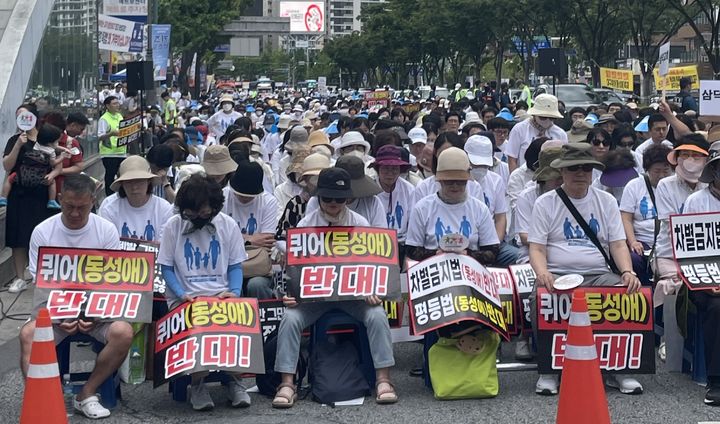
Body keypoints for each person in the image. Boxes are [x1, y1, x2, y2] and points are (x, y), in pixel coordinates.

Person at [272, 167, 397, 408]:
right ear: (319, 197)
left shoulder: (361, 224)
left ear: (348, 199)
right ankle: (287, 383)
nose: (332, 203)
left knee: (378, 315)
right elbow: (293, 272)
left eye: (338, 198)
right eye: (327, 197)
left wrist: (373, 289)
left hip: (354, 297)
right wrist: (291, 294)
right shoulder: (306, 226)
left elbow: (372, 265)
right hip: (315, 300)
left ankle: (384, 380)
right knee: (290, 318)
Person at [528, 143, 642, 396]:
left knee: (625, 293)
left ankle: (619, 368)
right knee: (541, 298)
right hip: (558, 271)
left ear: (592, 172)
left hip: (598, 272)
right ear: (562, 172)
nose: (580, 173)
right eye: (573, 168)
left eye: (585, 168)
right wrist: (542, 273)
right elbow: (536, 247)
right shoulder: (546, 203)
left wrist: (627, 272)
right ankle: (549, 368)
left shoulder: (607, 201)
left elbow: (617, 243)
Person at [20, 174, 133, 419]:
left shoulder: (106, 230)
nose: (74, 213)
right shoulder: (43, 231)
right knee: (28, 335)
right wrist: (60, 317)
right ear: (60, 199)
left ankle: (87, 393)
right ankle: (44, 396)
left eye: (81, 207)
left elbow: (113, 282)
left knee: (123, 332)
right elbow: (42, 284)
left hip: (97, 311)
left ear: (93, 201)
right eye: (69, 206)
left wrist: (95, 314)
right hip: (55, 310)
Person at [157, 173, 250, 410]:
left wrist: (235, 292)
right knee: (197, 320)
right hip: (185, 296)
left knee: (239, 319)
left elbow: (235, 266)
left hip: (221, 293)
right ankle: (197, 384)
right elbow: (166, 267)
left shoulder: (227, 225)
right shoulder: (173, 226)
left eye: (203, 212)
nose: (197, 217)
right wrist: (180, 293)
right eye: (191, 212)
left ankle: (235, 380)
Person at [405, 146, 499, 266]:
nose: (455, 186)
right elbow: (412, 249)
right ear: (440, 181)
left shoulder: (480, 209)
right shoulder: (422, 208)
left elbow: (492, 251)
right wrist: (436, 254)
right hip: (433, 269)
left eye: (460, 181)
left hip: (471, 270)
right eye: (449, 181)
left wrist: (468, 254)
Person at [512, 145, 564, 359]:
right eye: (555, 178)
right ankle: (524, 336)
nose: (559, 182)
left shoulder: (575, 193)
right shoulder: (528, 196)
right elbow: (524, 235)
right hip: (531, 252)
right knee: (524, 279)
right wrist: (544, 242)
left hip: (564, 252)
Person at [3, 105, 56, 293]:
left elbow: (56, 162)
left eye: (24, 115)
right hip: (19, 193)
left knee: (42, 234)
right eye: (18, 116)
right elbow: (7, 165)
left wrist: (53, 175)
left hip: (41, 193)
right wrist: (18, 145)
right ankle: (19, 277)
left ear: (33, 117)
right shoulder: (14, 140)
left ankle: (41, 274)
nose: (21, 119)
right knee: (18, 237)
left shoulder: (45, 138)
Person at [653, 134, 710, 307]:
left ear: (706, 160)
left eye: (696, 155)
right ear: (676, 159)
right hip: (670, 255)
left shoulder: (711, 186)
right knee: (678, 283)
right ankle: (670, 330)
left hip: (709, 256)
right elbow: (671, 226)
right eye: (684, 155)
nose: (690, 160)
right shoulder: (665, 185)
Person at [683, 140, 720, 405]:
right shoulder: (696, 202)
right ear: (714, 171)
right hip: (703, 278)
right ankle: (716, 380)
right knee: (717, 306)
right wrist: (708, 281)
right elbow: (686, 253)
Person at [223, 160, 280, 299]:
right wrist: (251, 239)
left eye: (249, 196)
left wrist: (236, 238)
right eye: (240, 194)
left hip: (257, 263)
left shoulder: (268, 201)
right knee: (230, 286)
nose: (243, 198)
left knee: (257, 285)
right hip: (227, 261)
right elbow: (220, 237)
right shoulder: (223, 196)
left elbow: (267, 242)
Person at [98, 155, 174, 248]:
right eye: (129, 182)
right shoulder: (109, 207)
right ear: (122, 184)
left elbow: (164, 247)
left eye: (139, 181)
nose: (134, 187)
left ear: (148, 181)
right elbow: (104, 243)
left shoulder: (164, 208)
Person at [464, 135, 516, 265]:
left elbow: (500, 217)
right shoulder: (458, 183)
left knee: (518, 256)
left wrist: (494, 246)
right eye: (476, 164)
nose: (480, 168)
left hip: (492, 242)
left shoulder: (495, 180)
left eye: (484, 164)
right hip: (466, 244)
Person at [305, 155, 386, 227]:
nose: (333, 202)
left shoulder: (361, 221)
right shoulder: (307, 219)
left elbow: (380, 236)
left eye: (340, 199)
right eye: (327, 198)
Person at [0, 123, 63, 209]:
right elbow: (53, 163)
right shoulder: (51, 152)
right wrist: (62, 157)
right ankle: (51, 200)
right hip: (40, 178)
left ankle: (3, 198)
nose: (57, 143)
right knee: (52, 182)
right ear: (50, 142)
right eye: (56, 141)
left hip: (22, 177)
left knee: (9, 179)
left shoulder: (35, 146)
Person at [506, 94, 568, 173]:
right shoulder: (519, 129)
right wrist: (514, 178)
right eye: (543, 117)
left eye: (552, 118)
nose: (547, 120)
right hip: (525, 176)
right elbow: (512, 158)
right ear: (534, 115)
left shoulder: (560, 134)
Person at [370, 145, 415, 252]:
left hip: (402, 244)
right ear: (378, 169)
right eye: (385, 168)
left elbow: (412, 222)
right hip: (375, 244)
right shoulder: (370, 190)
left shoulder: (409, 189)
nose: (390, 173)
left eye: (394, 169)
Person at [98, 96, 127, 196]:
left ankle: (121, 194)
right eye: (114, 103)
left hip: (121, 151)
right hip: (109, 153)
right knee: (110, 175)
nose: (117, 105)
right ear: (107, 106)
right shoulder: (104, 119)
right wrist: (111, 134)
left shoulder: (119, 116)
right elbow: (100, 136)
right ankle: (109, 195)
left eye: (117, 103)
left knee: (122, 174)